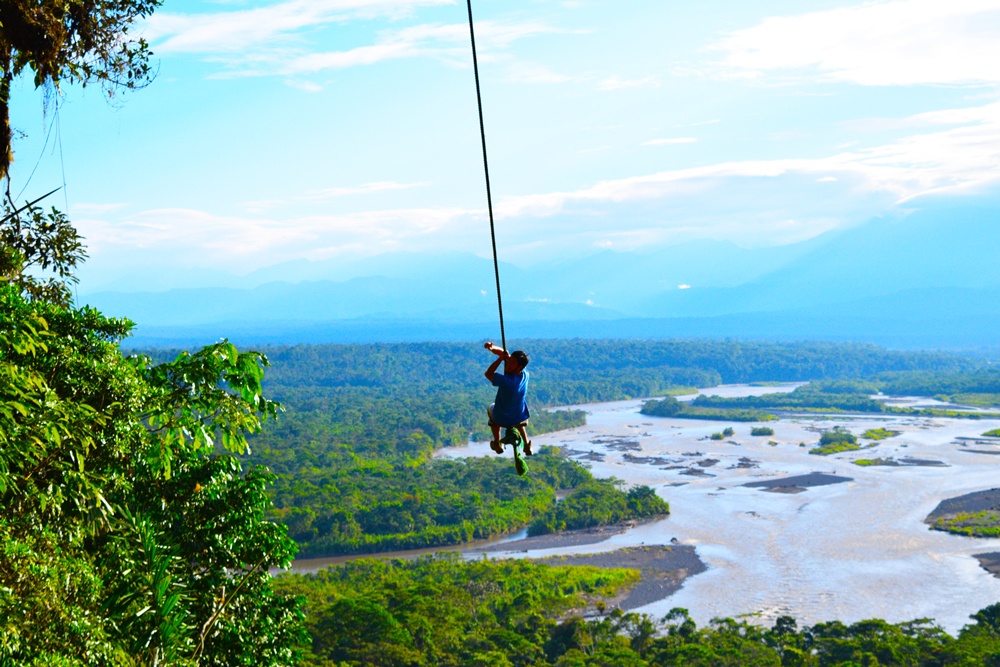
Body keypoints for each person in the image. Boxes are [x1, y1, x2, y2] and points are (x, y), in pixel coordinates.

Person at [483, 341, 532, 456]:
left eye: (511, 363)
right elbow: (505, 354)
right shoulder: (525, 374)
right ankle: (527, 444)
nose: (508, 363)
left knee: (491, 408)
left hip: (502, 418)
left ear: (519, 366)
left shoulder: (507, 381)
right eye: (509, 361)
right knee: (518, 415)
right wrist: (492, 348)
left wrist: (500, 360)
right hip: (519, 415)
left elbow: (488, 373)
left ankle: (497, 442)